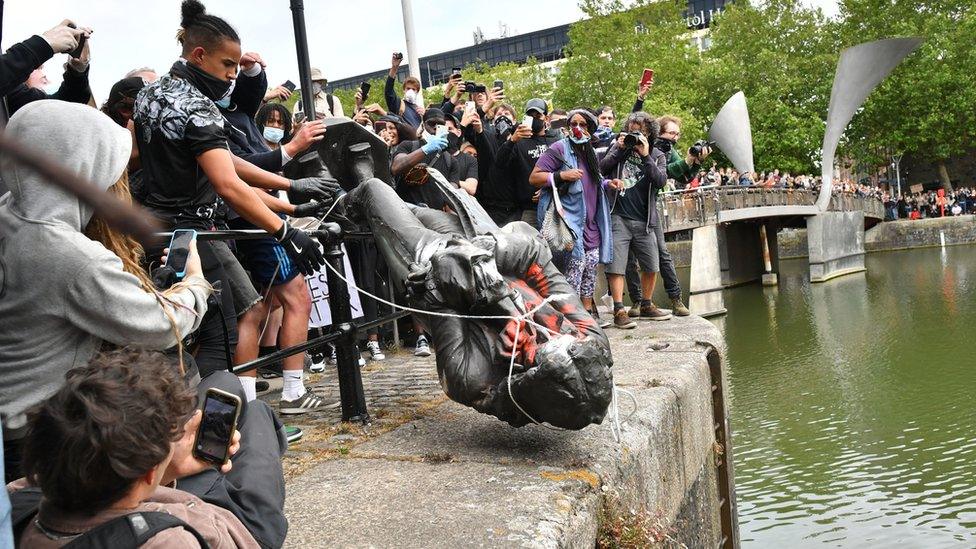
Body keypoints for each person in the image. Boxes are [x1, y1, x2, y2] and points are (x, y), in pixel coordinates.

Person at [0, 101, 212, 481]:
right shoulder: (65, 253)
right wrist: (195, 283)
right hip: (37, 438)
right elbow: (160, 325)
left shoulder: (9, 213)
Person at [133, 0, 332, 377]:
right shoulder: (198, 107)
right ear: (199, 54)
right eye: (227, 65)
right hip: (193, 233)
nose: (232, 77)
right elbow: (226, 182)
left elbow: (217, 161)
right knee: (222, 331)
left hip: (152, 227)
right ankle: (221, 424)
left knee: (180, 332)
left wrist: (289, 186)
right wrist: (285, 232)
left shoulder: (149, 95)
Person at [9, 348, 287, 547]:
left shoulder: (19, 497)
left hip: (161, 492)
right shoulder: (167, 542)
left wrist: (168, 471)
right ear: (148, 473)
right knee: (258, 412)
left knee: (226, 385)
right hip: (245, 528)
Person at [214, 50, 328, 410]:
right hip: (254, 222)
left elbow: (249, 92)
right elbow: (241, 177)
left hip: (258, 216)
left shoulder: (236, 113)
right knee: (296, 298)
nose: (232, 77)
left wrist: (253, 70)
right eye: (227, 68)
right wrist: (292, 154)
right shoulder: (210, 120)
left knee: (257, 308)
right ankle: (293, 392)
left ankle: (246, 402)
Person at [529, 109, 623, 315]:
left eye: (582, 125)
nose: (577, 129)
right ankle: (571, 317)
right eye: (573, 124)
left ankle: (588, 317)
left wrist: (609, 183)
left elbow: (595, 180)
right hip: (570, 223)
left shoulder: (589, 150)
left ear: (590, 129)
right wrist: (562, 175)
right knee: (574, 272)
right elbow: (534, 177)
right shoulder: (559, 148)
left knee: (590, 272)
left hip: (592, 223)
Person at [600, 111, 672, 328]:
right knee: (616, 265)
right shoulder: (618, 148)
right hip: (618, 215)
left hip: (644, 218)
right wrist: (620, 150)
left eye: (640, 130)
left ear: (650, 133)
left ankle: (647, 305)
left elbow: (660, 181)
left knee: (652, 264)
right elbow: (602, 169)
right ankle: (619, 310)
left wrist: (646, 155)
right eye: (632, 129)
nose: (636, 134)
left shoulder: (657, 154)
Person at [495, 98, 557, 226]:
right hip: (529, 209)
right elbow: (499, 163)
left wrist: (549, 190)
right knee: (530, 244)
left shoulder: (556, 141)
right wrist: (512, 140)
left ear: (546, 118)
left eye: (538, 115)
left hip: (555, 203)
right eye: (530, 115)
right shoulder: (519, 141)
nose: (534, 118)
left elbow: (565, 171)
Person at [656, 115, 711, 187]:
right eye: (672, 133)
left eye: (678, 134)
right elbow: (661, 172)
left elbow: (685, 178)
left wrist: (697, 162)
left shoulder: (670, 151)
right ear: (659, 133)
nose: (675, 138)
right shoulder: (647, 147)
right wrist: (686, 162)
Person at [385, 52, 423, 129]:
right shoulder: (399, 104)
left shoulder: (419, 111)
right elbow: (388, 90)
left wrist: (425, 116)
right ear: (404, 90)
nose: (411, 91)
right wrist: (394, 68)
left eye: (413, 89)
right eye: (408, 89)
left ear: (417, 92)